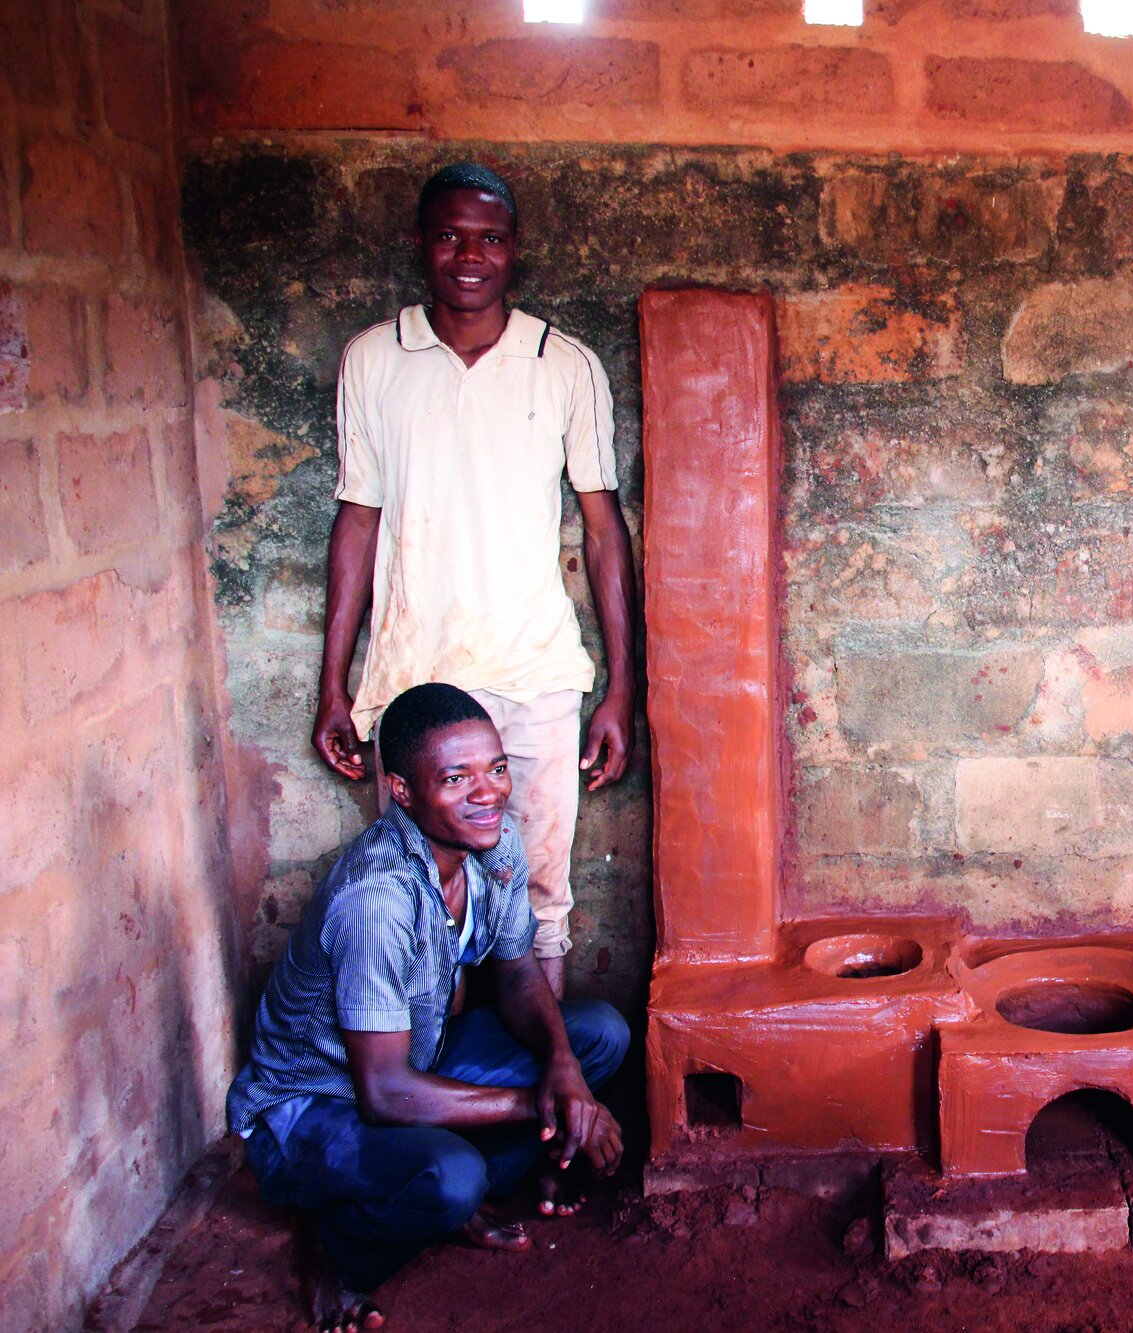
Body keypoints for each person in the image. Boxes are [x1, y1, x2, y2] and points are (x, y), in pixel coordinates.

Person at [313, 161, 638, 1000]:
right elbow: (358, 520)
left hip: (534, 676)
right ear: (422, 244)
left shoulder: (562, 364)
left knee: (537, 895)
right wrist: (333, 687)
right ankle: (437, 1089)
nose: (470, 255)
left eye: (489, 238)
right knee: (426, 894)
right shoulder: (373, 360)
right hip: (416, 682)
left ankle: (544, 1098)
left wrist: (619, 693)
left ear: (513, 250)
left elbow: (605, 531)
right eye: (451, 236)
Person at [229, 684, 630, 1332]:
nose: (489, 791)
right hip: (314, 1105)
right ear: (403, 791)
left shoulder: (493, 844)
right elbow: (384, 1093)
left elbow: (520, 971)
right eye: (456, 777)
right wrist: (551, 1106)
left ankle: (438, 1180)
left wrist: (565, 1072)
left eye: (496, 767)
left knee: (597, 1036)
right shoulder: (376, 898)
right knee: (453, 1178)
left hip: (417, 1061)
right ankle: (335, 1245)